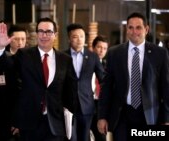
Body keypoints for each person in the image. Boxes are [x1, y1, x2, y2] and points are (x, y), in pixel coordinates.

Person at [3, 17, 77, 141]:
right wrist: (0, 49)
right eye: (41, 31)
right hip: (29, 124)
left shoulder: (65, 60)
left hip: (55, 124)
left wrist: (69, 116)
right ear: (37, 34)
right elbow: (7, 70)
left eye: (48, 32)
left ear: (55, 35)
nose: (44, 35)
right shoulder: (24, 55)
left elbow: (71, 91)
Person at [97, 12, 169, 141]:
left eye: (138, 27)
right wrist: (102, 116)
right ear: (126, 29)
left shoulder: (160, 54)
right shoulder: (115, 53)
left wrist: (166, 118)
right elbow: (106, 87)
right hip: (122, 116)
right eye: (130, 27)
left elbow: (166, 88)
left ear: (146, 29)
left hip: (149, 116)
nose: (134, 31)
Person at [64, 24, 105, 141]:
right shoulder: (62, 56)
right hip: (68, 107)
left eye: (82, 36)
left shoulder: (92, 57)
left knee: (84, 138)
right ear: (69, 39)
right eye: (75, 37)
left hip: (86, 106)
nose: (79, 40)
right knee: (71, 138)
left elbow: (103, 79)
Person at [90, 35, 109, 141]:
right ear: (93, 48)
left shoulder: (108, 66)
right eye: (99, 47)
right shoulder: (85, 64)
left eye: (105, 48)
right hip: (87, 103)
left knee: (101, 137)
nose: (102, 51)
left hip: (100, 106)